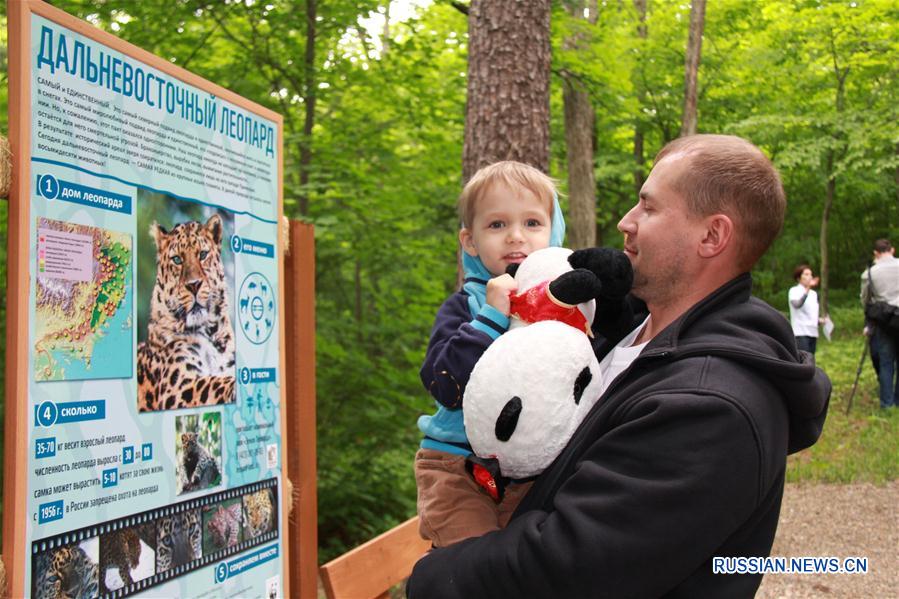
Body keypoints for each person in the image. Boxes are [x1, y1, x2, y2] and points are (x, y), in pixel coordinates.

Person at [408, 135, 831, 598]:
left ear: (712, 236)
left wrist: (434, 579)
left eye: (648, 208)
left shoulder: (709, 407)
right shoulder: (633, 335)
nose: (624, 221)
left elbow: (571, 567)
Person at [414, 161, 565, 548]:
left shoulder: (564, 307)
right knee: (474, 567)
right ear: (470, 241)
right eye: (497, 225)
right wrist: (491, 316)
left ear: (554, 231)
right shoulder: (466, 306)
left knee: (528, 567)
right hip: (456, 466)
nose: (516, 237)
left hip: (529, 471)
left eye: (532, 223)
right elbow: (442, 385)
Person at [860, 239, 899, 408]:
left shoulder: (870, 273)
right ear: (893, 250)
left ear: (876, 253)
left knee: (886, 362)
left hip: (884, 321)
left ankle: (887, 403)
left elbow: (865, 299)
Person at [788, 264, 821, 357]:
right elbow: (797, 305)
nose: (809, 277)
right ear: (798, 278)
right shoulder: (794, 291)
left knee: (811, 360)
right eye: (806, 274)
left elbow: (812, 315)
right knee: (803, 361)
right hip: (801, 332)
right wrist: (807, 289)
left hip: (813, 332)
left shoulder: (814, 294)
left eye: (810, 274)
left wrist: (821, 320)